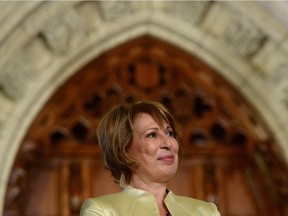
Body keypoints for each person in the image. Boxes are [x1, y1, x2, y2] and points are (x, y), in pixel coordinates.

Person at [80, 100, 220, 216]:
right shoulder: (101, 211)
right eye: (152, 134)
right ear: (124, 149)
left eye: (169, 133)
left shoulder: (207, 212)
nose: (168, 143)